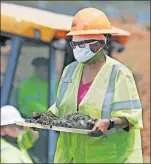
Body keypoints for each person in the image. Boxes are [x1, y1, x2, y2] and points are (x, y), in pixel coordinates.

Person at [47, 8, 143, 163]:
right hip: (74, 157)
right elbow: (61, 107)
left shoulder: (119, 74)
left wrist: (108, 123)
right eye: (77, 43)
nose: (81, 48)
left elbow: (131, 118)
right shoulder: (69, 71)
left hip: (111, 158)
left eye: (87, 43)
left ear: (104, 41)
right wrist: (45, 118)